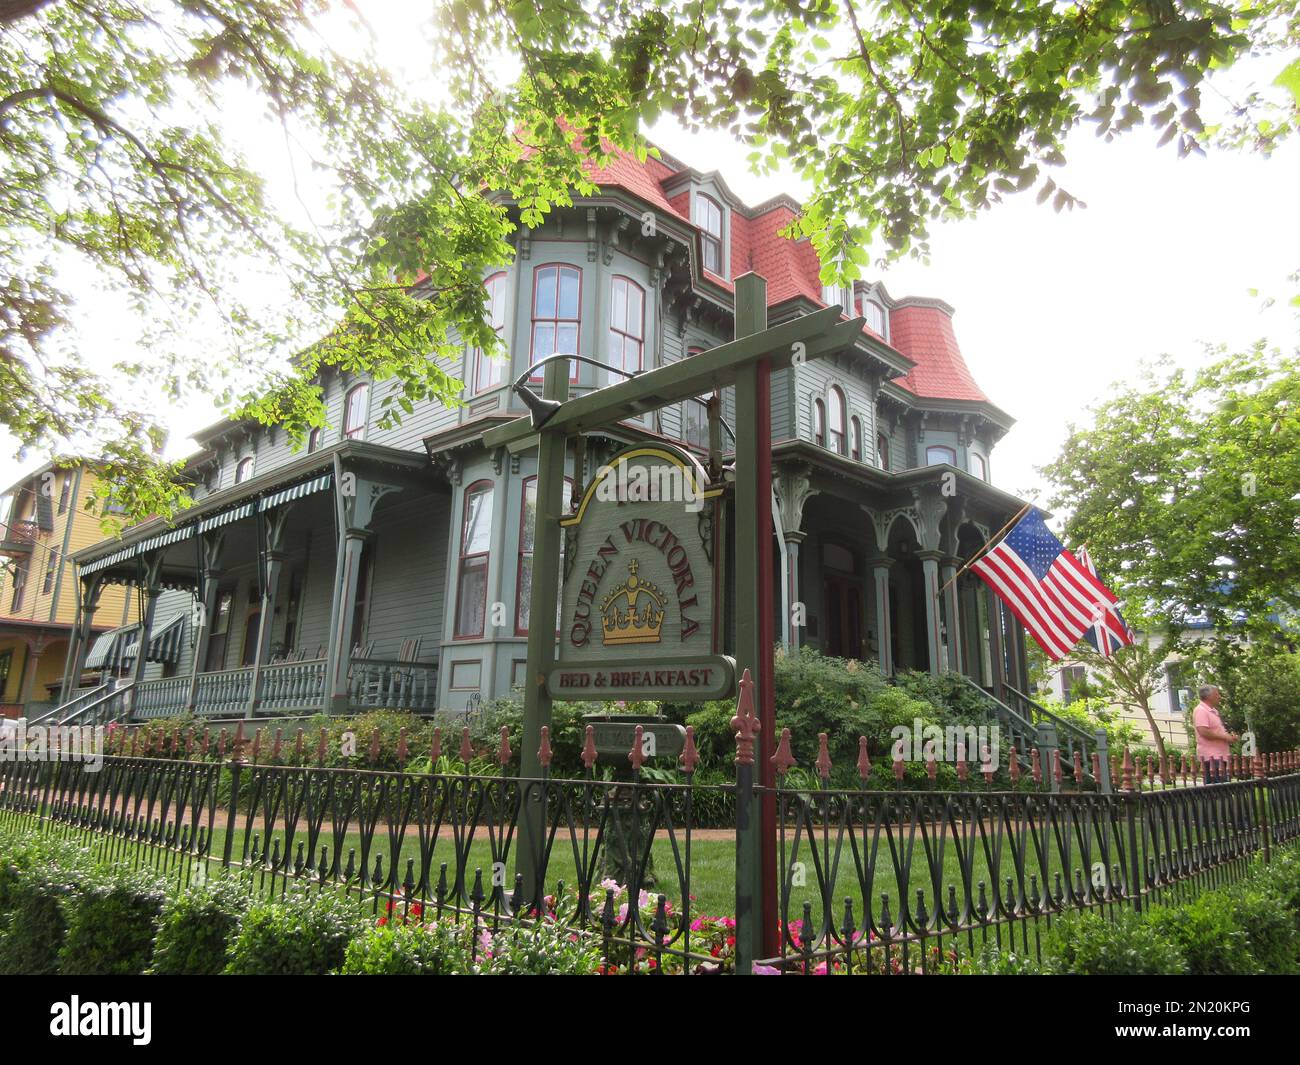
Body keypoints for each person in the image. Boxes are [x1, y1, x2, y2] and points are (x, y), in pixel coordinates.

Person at [1192, 684, 1237, 784]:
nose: (1219, 696)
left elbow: (1215, 730)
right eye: (1216, 694)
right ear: (1208, 696)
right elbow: (1203, 731)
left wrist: (1229, 737)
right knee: (1217, 788)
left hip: (1220, 756)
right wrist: (1224, 736)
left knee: (1223, 786)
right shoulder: (1201, 710)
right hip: (1211, 757)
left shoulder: (1213, 711)